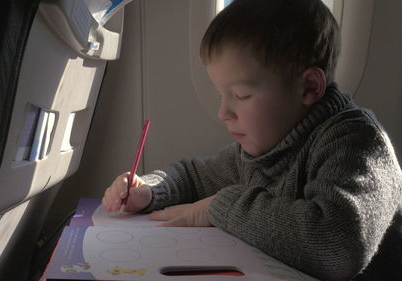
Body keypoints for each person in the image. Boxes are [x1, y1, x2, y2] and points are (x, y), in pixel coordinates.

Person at [101, 0, 402, 280]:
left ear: (309, 87)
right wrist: (150, 191)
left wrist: (219, 206)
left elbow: (338, 247)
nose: (223, 112)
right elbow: (193, 176)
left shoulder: (356, 142)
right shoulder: (267, 146)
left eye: (241, 95)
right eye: (220, 95)